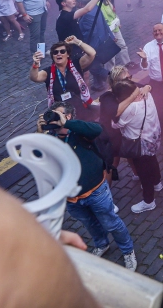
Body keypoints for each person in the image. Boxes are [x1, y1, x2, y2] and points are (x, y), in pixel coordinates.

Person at [44, 102, 139, 270]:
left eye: (58, 115)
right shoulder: (50, 138)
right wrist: (40, 131)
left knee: (111, 223)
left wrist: (66, 124)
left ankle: (128, 251)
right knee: (90, 224)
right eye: (53, 115)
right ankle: (102, 244)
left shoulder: (79, 130)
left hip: (96, 192)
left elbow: (97, 130)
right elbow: (40, 158)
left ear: (68, 116)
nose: (55, 119)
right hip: (72, 198)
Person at [110, 80, 162, 214]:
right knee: (153, 159)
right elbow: (147, 86)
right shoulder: (147, 95)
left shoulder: (131, 108)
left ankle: (149, 201)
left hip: (140, 144)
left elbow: (115, 125)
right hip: (153, 137)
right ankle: (157, 183)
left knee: (144, 173)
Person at [30, 37, 97, 117]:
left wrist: (77, 42)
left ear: (68, 54)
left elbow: (92, 53)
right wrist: (35, 64)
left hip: (81, 108)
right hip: (62, 114)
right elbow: (35, 77)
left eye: (62, 51)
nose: (59, 54)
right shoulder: (48, 72)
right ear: (53, 56)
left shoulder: (76, 65)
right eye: (55, 52)